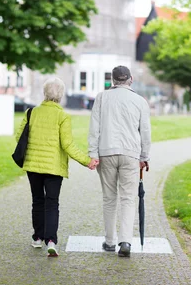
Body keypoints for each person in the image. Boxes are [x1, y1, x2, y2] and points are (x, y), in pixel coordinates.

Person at [15, 77, 97, 257]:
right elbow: (67, 145)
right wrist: (87, 161)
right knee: (52, 203)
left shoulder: (31, 113)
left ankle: (37, 238)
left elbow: (18, 137)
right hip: (53, 167)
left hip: (33, 165)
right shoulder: (62, 116)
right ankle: (51, 240)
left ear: (44, 93)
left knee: (37, 201)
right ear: (61, 95)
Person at [88, 66, 151, 257]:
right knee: (128, 199)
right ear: (131, 79)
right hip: (131, 153)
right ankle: (126, 241)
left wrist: (93, 153)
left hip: (106, 152)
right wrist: (144, 156)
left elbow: (94, 128)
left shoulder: (101, 98)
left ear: (112, 80)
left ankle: (109, 241)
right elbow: (145, 132)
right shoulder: (140, 101)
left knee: (109, 198)